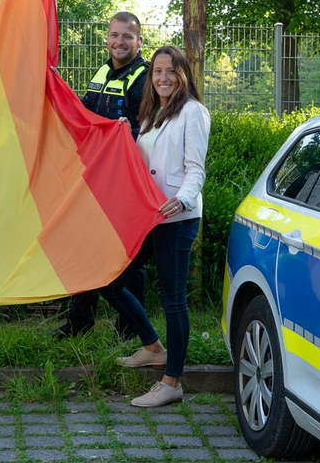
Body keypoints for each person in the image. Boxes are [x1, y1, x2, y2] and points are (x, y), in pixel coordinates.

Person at [100, 45, 211, 408]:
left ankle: (172, 381)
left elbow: (196, 168)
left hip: (176, 218)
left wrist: (183, 198)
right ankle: (152, 347)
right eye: (157, 71)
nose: (163, 78)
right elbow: (144, 160)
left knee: (173, 302)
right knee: (111, 280)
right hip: (147, 215)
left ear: (184, 75)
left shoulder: (193, 112)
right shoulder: (152, 113)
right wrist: (124, 133)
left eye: (171, 71)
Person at [52, 12, 150, 340]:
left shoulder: (146, 77)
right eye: (114, 35)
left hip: (128, 182)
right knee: (86, 248)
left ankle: (130, 331)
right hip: (95, 179)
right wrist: (57, 89)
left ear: (138, 41)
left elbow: (155, 128)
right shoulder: (104, 71)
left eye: (127, 37)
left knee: (129, 257)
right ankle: (80, 323)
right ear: (106, 38)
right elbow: (85, 113)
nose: (119, 42)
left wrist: (128, 131)